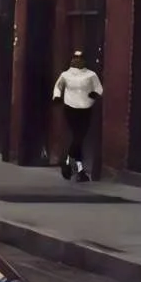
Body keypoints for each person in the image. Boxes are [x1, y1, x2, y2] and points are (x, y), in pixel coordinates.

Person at [53, 49, 103, 182]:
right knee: (78, 137)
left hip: (86, 109)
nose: (77, 60)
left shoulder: (91, 75)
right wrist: (57, 97)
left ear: (84, 61)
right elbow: (58, 87)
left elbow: (99, 88)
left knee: (78, 139)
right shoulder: (65, 75)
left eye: (80, 58)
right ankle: (76, 168)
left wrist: (95, 94)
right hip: (70, 108)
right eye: (75, 58)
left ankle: (72, 165)